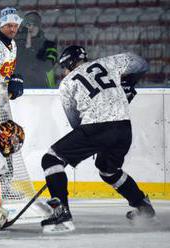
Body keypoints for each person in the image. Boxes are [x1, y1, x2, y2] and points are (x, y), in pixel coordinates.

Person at [40, 45, 155, 233]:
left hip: (96, 128)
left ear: (68, 63)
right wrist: (128, 84)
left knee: (51, 159)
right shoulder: (109, 62)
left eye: (64, 67)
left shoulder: (68, 82)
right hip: (124, 128)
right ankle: (142, 205)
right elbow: (141, 63)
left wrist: (90, 141)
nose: (65, 72)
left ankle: (62, 213)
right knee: (108, 170)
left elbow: (75, 121)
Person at [15, 11, 58, 88]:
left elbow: (46, 66)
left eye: (35, 25)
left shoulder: (49, 45)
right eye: (28, 25)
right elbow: (18, 66)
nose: (31, 27)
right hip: (18, 89)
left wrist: (29, 47)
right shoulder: (15, 45)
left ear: (39, 27)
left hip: (43, 90)